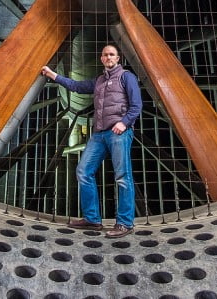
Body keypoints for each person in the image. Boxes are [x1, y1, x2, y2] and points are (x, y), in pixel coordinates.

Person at [41, 44, 142, 238]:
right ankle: (92, 219)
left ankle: (125, 223)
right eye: (105, 55)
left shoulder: (126, 77)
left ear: (118, 58)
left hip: (118, 132)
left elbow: (137, 105)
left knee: (122, 176)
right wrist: (53, 75)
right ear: (101, 59)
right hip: (99, 134)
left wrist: (124, 123)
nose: (108, 57)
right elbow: (76, 87)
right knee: (83, 171)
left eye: (112, 54)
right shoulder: (99, 81)